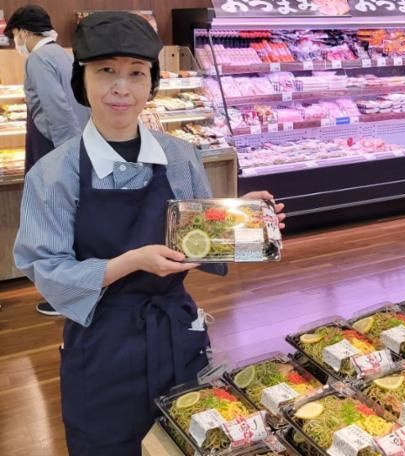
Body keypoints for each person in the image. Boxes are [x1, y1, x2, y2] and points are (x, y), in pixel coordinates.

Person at [13, 11, 285, 455]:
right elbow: (46, 269)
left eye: (136, 73)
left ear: (151, 83)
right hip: (102, 344)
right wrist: (130, 262)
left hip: (178, 332)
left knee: (186, 442)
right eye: (106, 71)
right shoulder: (54, 172)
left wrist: (243, 219)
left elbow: (200, 237)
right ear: (82, 81)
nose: (121, 87)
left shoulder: (180, 155)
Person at [5, 5, 90, 317]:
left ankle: (64, 295)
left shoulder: (39, 58)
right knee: (70, 219)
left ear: (24, 32)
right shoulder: (62, 54)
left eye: (15, 35)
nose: (16, 42)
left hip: (53, 150)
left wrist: (64, 158)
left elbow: (55, 109)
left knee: (54, 222)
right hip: (75, 145)